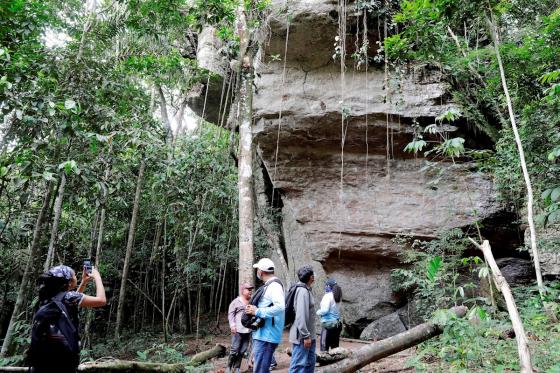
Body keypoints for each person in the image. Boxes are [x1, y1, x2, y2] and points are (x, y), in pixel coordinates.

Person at [30, 264, 106, 373]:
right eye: (75, 275)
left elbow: (72, 301)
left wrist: (84, 282)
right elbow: (101, 300)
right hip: (62, 362)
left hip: (43, 362)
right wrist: (97, 276)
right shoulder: (69, 297)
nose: (77, 276)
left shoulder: (47, 298)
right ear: (69, 282)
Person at [245, 258, 285, 373]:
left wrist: (257, 311)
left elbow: (280, 307)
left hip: (267, 335)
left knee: (260, 370)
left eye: (257, 269)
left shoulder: (274, 286)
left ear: (260, 272)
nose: (257, 272)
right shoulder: (270, 285)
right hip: (263, 334)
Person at [288, 265, 316, 373]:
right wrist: (305, 336)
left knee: (309, 364)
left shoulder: (306, 290)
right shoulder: (302, 291)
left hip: (309, 335)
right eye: (313, 275)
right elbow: (300, 315)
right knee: (298, 366)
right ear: (311, 277)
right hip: (302, 337)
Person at [226, 283, 254, 373]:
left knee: (242, 351)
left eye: (251, 290)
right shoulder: (236, 302)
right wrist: (232, 325)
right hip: (237, 330)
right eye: (248, 289)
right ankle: (229, 367)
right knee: (235, 349)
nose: (250, 291)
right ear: (242, 291)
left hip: (248, 330)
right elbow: (231, 314)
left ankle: (237, 367)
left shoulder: (252, 301)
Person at [316, 278, 342, 352]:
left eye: (326, 286)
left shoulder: (327, 296)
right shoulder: (338, 296)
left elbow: (324, 310)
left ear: (328, 286)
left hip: (328, 325)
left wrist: (318, 312)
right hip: (337, 325)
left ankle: (324, 363)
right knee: (335, 348)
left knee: (324, 348)